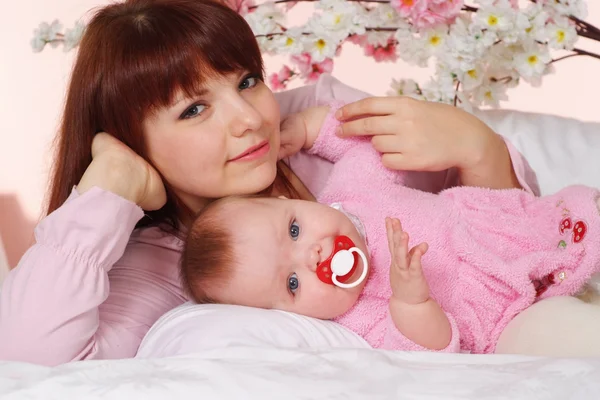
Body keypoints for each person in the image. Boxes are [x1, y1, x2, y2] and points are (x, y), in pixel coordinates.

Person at [0, 0, 531, 366]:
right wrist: (107, 190)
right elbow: (29, 361)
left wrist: (478, 147)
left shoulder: (325, 123)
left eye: (248, 81)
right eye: (195, 109)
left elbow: (511, 235)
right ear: (134, 143)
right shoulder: (159, 263)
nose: (249, 119)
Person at [180, 103, 600, 354]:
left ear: (290, 202)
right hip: (510, 317)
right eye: (292, 282)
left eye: (293, 231)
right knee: (565, 337)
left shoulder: (351, 193)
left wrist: (311, 127)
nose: (312, 256)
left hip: (530, 230)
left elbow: (365, 145)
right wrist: (412, 302)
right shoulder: (355, 318)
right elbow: (427, 351)